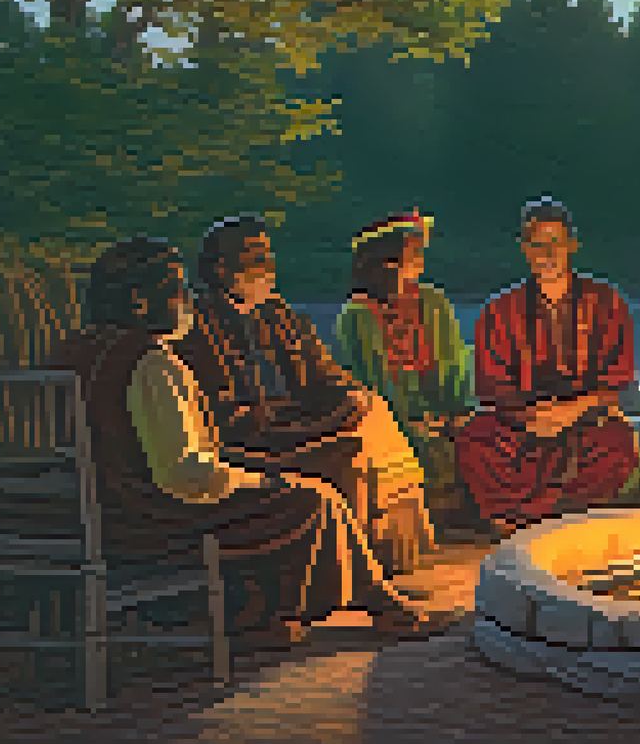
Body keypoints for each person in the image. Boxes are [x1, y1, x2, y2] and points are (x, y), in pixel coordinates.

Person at [44, 237, 434, 641]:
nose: (186, 299)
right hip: (149, 515)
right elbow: (185, 474)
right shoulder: (151, 362)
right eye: (177, 289)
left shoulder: (75, 351)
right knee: (313, 499)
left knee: (313, 477)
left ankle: (285, 612)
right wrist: (260, 481)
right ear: (140, 301)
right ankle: (370, 606)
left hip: (105, 505)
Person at [173, 216, 435, 574]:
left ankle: (383, 559)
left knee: (369, 416)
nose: (265, 267)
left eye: (267, 255)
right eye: (253, 257)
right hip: (248, 441)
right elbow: (223, 415)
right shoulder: (197, 325)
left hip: (294, 423)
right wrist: (311, 424)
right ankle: (353, 573)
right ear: (219, 268)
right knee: (349, 453)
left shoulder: (278, 313)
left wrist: (349, 396)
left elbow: (321, 371)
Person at [453, 198, 638, 536]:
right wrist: (532, 414)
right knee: (474, 442)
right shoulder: (500, 308)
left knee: (616, 444)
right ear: (526, 250)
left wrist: (573, 409)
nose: (548, 253)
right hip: (522, 418)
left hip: (584, 417)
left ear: (572, 245)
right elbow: (490, 382)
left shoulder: (606, 301)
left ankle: (568, 517)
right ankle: (514, 522)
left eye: (556, 243)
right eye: (538, 245)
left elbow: (619, 376)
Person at [335, 212, 474, 522]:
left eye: (417, 252)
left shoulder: (434, 302)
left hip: (442, 407)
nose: (417, 260)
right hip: (392, 414)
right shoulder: (358, 314)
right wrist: (413, 418)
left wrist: (456, 411)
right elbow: (372, 380)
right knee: (413, 444)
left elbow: (454, 363)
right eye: (409, 253)